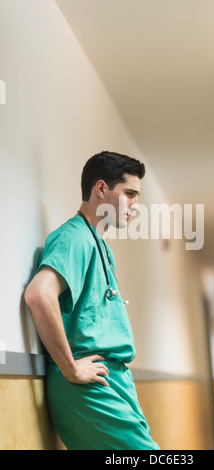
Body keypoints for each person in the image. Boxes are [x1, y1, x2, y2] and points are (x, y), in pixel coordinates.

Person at [24, 151, 160, 450]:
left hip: (112, 379)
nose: (135, 206)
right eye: (130, 194)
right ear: (101, 189)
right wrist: (71, 368)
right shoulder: (74, 238)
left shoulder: (98, 244)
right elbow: (38, 294)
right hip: (88, 385)